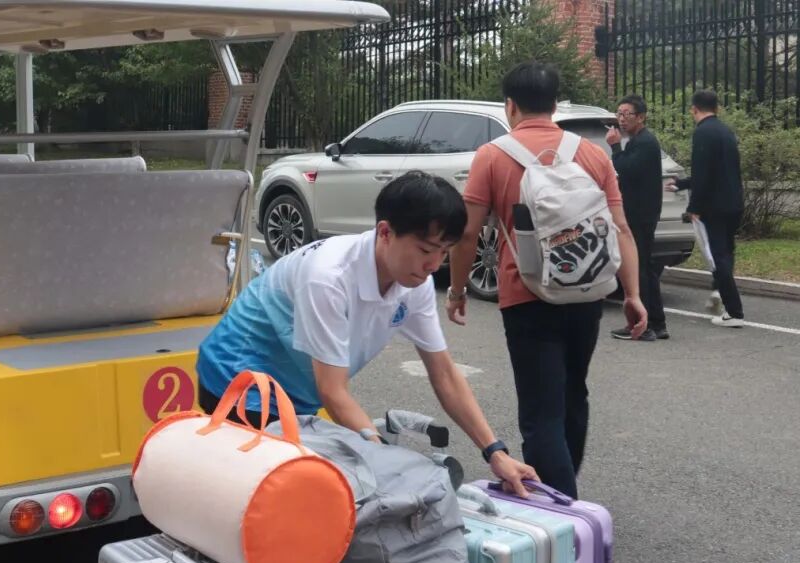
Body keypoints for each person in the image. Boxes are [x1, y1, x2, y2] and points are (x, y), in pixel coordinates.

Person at [196, 171, 538, 496]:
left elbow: (444, 374)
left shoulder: (414, 282)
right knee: (274, 500)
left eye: (444, 251)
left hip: (297, 396)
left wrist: (495, 452)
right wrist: (386, 461)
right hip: (237, 382)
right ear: (385, 232)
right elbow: (332, 390)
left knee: (309, 492)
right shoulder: (328, 277)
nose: (434, 264)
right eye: (425, 250)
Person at [445, 62, 647, 500]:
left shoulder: (492, 156)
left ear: (510, 105)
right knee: (574, 394)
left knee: (541, 411)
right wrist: (632, 294)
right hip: (587, 292)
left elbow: (467, 233)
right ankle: (566, 489)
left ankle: (562, 509)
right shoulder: (593, 154)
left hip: (527, 296)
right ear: (555, 105)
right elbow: (621, 228)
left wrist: (457, 291)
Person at [668, 89, 745, 328]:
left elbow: (703, 174)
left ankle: (734, 311)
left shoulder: (702, 133)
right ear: (717, 108)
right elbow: (719, 171)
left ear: (694, 109)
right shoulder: (725, 131)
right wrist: (681, 184)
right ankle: (719, 291)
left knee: (717, 255)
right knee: (726, 252)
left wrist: (694, 206)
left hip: (714, 206)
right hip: (734, 203)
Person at [606, 95, 667, 341]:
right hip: (642, 212)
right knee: (645, 268)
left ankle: (643, 325)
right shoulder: (638, 141)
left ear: (641, 117)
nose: (621, 119)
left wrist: (614, 147)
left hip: (640, 215)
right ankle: (657, 323)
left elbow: (626, 170)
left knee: (638, 269)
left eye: (627, 114)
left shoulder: (645, 142)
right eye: (619, 114)